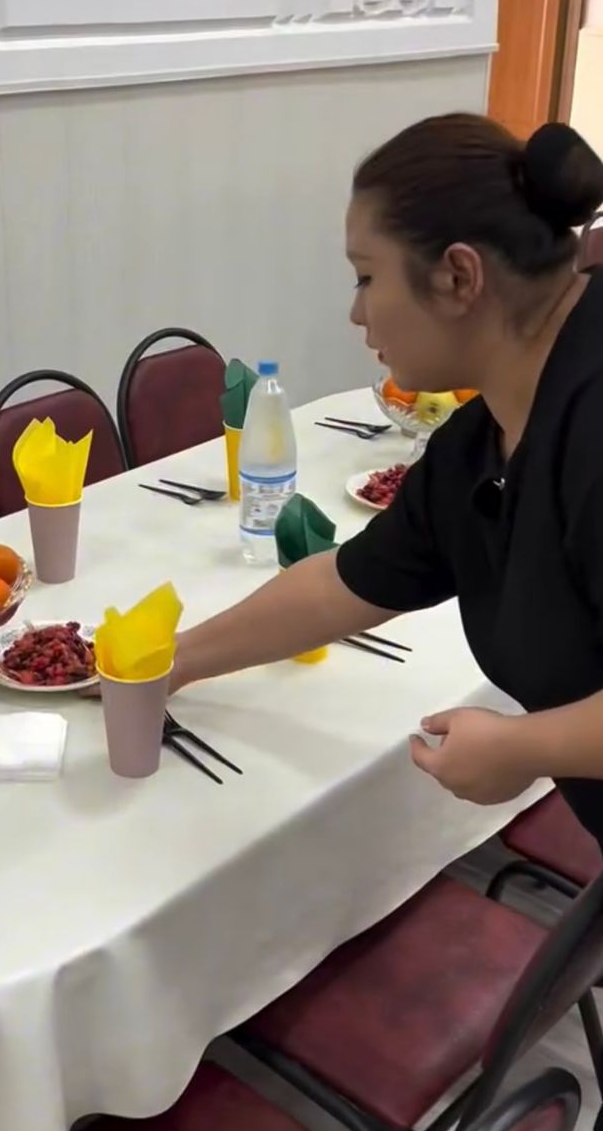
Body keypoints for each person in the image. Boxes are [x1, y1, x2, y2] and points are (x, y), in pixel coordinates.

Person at [172, 114, 603, 853]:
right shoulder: (482, 441)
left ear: (459, 277)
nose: (355, 311)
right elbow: (346, 583)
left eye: (367, 277)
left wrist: (526, 746)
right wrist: (167, 661)